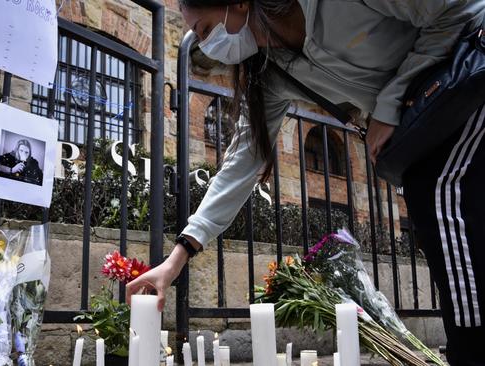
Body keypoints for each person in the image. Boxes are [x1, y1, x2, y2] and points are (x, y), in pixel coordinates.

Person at [125, 1, 485, 364]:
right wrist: (176, 259)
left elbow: (459, 9)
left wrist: (390, 104)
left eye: (205, 30)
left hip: (467, 85)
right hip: (432, 131)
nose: (207, 44)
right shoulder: (272, 72)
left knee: (441, 205)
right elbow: (240, 165)